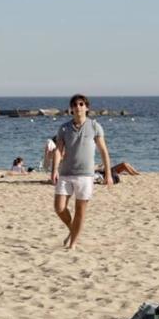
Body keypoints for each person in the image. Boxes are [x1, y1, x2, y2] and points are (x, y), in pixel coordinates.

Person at [51, 94, 111, 249]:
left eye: (81, 104)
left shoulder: (94, 126)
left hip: (85, 175)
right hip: (65, 173)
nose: (78, 107)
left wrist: (108, 174)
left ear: (87, 107)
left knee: (80, 211)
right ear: (71, 108)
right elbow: (58, 150)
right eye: (75, 105)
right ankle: (73, 230)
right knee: (59, 208)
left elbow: (103, 151)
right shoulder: (64, 128)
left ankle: (73, 244)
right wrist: (54, 170)